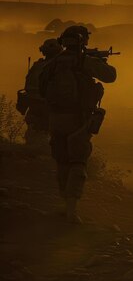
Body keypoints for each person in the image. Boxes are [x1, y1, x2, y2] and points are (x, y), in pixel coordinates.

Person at [39, 25, 117, 223]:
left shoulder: (52, 63)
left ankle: (64, 203)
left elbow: (41, 90)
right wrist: (95, 62)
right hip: (78, 119)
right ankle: (72, 209)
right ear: (83, 41)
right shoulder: (84, 61)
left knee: (62, 161)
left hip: (56, 119)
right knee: (77, 162)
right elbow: (111, 76)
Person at [17, 39, 63, 145]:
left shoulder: (37, 65)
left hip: (34, 106)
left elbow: (28, 86)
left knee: (33, 135)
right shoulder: (60, 66)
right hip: (49, 107)